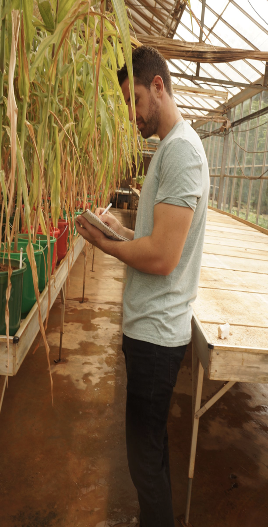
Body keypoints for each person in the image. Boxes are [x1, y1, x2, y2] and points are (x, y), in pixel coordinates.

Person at [75, 46, 209, 527]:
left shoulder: (183, 154)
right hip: (148, 330)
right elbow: (151, 240)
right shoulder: (169, 149)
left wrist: (106, 246)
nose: (131, 115)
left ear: (157, 85)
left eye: (134, 100)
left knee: (142, 459)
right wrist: (118, 230)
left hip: (156, 335)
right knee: (151, 451)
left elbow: (162, 257)